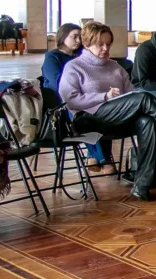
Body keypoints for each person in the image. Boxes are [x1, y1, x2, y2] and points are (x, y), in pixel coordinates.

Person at [59, 21, 156, 201]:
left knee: (146, 121)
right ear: (86, 45)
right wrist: (103, 97)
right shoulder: (75, 66)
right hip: (88, 119)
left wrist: (118, 100)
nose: (105, 48)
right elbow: (70, 99)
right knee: (144, 97)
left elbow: (131, 94)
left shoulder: (114, 66)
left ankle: (142, 185)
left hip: (117, 119)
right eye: (100, 44)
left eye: (108, 44)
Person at [42, 23, 112, 172]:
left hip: (85, 96)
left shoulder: (83, 56)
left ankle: (93, 157)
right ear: (63, 37)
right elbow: (57, 83)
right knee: (83, 112)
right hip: (60, 102)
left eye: (80, 37)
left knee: (102, 108)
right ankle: (102, 158)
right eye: (74, 37)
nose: (78, 40)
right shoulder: (53, 56)